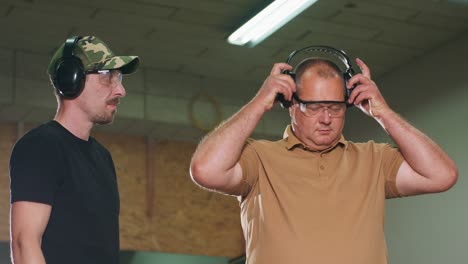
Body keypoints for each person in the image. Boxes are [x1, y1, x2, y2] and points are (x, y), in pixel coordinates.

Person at [189, 56, 458, 263]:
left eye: (335, 107)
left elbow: (441, 175)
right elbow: (205, 170)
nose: (327, 118)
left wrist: (383, 113)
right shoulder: (259, 158)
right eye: (315, 107)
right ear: (291, 105)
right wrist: (260, 101)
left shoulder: (374, 159)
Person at [9, 36, 140, 264]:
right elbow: (24, 244)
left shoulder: (103, 157)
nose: (120, 90)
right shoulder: (42, 146)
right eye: (107, 77)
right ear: (71, 78)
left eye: (119, 78)